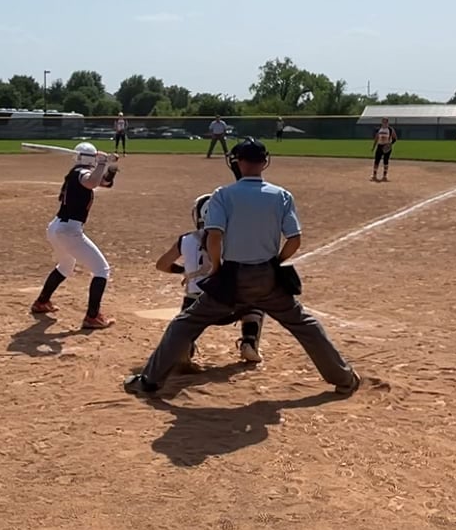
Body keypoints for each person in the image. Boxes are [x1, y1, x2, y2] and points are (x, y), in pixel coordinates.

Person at [125, 138, 359, 397]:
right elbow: (294, 240)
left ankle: (150, 382)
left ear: (238, 162)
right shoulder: (281, 195)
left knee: (185, 324)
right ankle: (344, 378)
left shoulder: (223, 195)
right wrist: (275, 262)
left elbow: (214, 237)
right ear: (265, 162)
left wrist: (216, 268)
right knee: (305, 325)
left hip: (232, 276)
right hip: (269, 278)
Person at [155, 194, 264, 370]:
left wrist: (185, 271)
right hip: (231, 306)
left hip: (196, 306)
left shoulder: (186, 239)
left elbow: (162, 265)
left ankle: (185, 346)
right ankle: (249, 342)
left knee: (186, 322)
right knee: (256, 300)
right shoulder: (236, 239)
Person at [32, 141, 119, 330]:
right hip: (69, 231)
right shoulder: (81, 173)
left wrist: (110, 168)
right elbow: (91, 181)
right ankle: (92, 317)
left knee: (65, 266)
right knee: (102, 270)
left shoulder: (77, 172)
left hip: (57, 227)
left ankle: (42, 302)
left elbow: (104, 183)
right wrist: (102, 162)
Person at [370, 118, 398, 182]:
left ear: (388, 123)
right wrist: (373, 147)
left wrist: (390, 144)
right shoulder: (379, 129)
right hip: (380, 146)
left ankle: (384, 176)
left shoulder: (390, 129)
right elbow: (376, 138)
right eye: (383, 122)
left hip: (387, 146)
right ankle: (374, 175)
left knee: (386, 161)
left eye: (385, 122)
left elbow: (395, 138)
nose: (384, 123)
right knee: (376, 161)